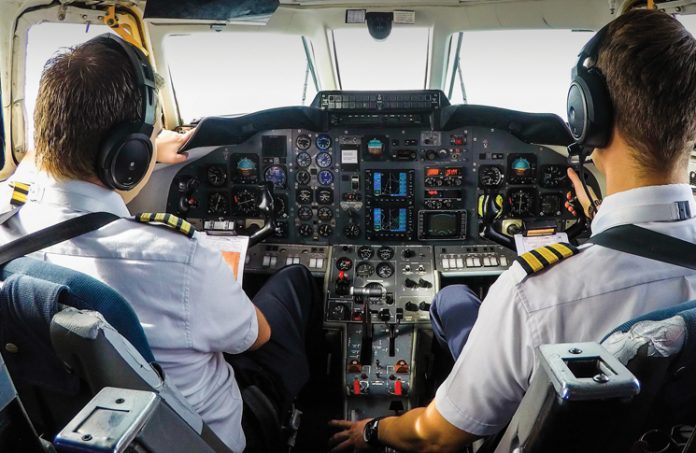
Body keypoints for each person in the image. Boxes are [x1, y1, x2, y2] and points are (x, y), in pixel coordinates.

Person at [329, 8, 696, 453]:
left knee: (452, 299)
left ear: (587, 117)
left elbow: (436, 438)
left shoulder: (535, 294)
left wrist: (373, 430)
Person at [0, 34, 318, 453]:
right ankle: (311, 415)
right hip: (207, 440)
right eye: (148, 135)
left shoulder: (7, 220)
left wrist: (148, 147)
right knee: (295, 281)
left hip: (69, 432)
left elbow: (28, 171)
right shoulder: (180, 257)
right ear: (128, 155)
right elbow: (254, 337)